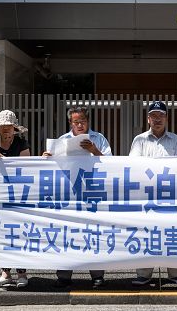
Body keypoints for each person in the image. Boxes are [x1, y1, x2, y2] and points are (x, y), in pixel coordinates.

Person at [43, 105, 112, 288]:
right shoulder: (62, 140)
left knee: (93, 233)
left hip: (91, 192)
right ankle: (64, 276)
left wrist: (94, 151)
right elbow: (52, 168)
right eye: (76, 122)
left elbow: (112, 164)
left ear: (88, 121)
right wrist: (46, 158)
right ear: (70, 123)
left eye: (83, 121)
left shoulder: (99, 139)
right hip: (68, 194)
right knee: (67, 233)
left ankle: (97, 276)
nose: (80, 125)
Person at [129, 101, 177, 286]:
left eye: (161, 116)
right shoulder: (139, 140)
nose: (157, 119)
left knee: (172, 232)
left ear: (166, 118)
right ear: (148, 119)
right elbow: (133, 165)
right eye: (154, 116)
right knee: (147, 232)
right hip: (146, 195)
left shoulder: (176, 140)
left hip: (171, 195)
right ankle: (144, 274)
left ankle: (176, 273)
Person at [0, 110, 30, 288]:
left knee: (20, 233)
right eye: (3, 128)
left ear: (15, 129)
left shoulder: (22, 143)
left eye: (9, 127)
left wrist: (4, 160)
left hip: (17, 196)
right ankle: (5, 272)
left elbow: (25, 167)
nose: (6, 131)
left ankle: (22, 272)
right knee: (0, 233)